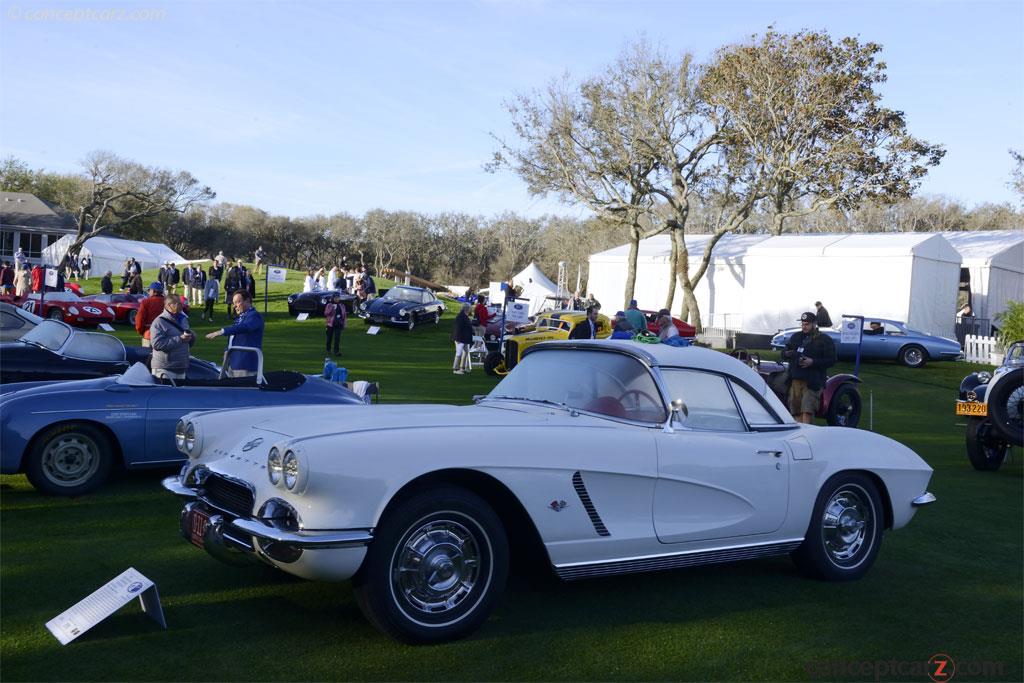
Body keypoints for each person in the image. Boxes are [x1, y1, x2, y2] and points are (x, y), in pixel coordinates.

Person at [782, 312, 837, 424]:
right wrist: (788, 353)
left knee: (807, 411)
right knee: (796, 411)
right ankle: (798, 436)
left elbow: (832, 360)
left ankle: (808, 437)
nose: (804, 326)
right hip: (795, 379)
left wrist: (813, 362)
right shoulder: (796, 337)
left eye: (807, 324)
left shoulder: (824, 339)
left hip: (813, 381)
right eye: (802, 324)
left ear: (815, 324)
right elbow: (784, 352)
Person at [206, 290, 264, 378]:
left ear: (247, 301)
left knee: (242, 391)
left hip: (245, 365)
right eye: (234, 303)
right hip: (233, 364)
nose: (235, 306)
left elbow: (245, 327)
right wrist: (227, 350)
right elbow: (234, 336)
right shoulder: (240, 318)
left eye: (238, 302)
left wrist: (221, 331)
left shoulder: (254, 316)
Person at [149, 293, 195, 380]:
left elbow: (187, 343)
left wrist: (192, 337)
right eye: (179, 304)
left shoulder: (183, 319)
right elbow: (157, 344)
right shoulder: (159, 322)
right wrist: (180, 339)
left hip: (181, 367)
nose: (182, 305)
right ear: (169, 305)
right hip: (164, 369)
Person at [135, 282, 166, 347]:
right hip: (165, 335)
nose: (149, 292)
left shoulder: (146, 302)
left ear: (154, 291)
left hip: (149, 334)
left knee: (147, 355)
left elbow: (139, 319)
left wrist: (141, 331)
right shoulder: (167, 302)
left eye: (149, 290)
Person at [451, 303, 474, 374]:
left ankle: (462, 367)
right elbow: (458, 328)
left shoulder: (465, 316)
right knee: (459, 353)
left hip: (464, 338)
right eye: (470, 308)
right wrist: (458, 339)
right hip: (460, 338)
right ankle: (455, 369)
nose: (470, 310)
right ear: (467, 309)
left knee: (466, 352)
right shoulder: (461, 316)